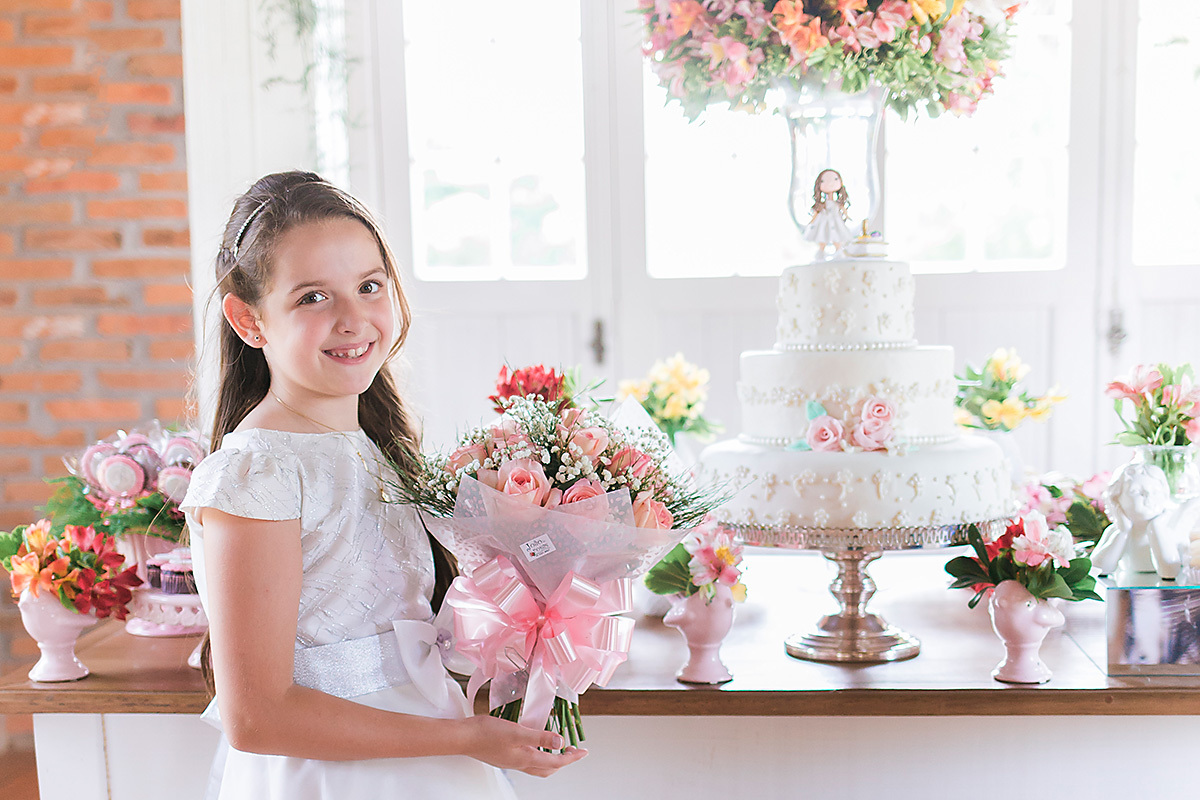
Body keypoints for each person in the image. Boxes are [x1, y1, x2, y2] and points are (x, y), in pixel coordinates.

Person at [181, 171, 586, 799]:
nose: (353, 319)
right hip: (333, 777)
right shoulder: (259, 473)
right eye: (313, 297)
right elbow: (257, 716)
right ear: (249, 320)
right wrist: (465, 738)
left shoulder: (374, 446)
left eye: (369, 286)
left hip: (432, 750)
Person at [803, 168, 853, 258]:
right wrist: (812, 221)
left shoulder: (837, 204)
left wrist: (846, 216)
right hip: (824, 222)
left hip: (835, 222)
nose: (830, 183)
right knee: (822, 236)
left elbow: (843, 209)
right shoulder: (822, 204)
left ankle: (838, 252)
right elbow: (816, 212)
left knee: (836, 237)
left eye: (835, 179)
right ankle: (821, 253)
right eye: (823, 181)